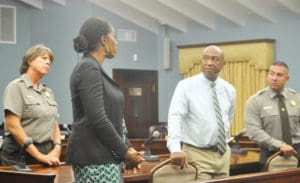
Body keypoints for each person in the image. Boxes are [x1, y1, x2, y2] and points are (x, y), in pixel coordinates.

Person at [66, 17, 143, 183]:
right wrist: (124, 151)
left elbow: (114, 119)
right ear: (103, 40)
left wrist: (128, 147)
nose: (116, 42)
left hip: (105, 156)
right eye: (114, 36)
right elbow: (98, 118)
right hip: (94, 158)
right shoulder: (88, 68)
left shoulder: (94, 68)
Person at [167, 45, 236, 181]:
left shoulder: (229, 89)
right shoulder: (185, 86)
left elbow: (228, 119)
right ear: (201, 61)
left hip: (222, 154)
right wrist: (175, 148)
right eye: (206, 58)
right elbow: (175, 117)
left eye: (214, 59)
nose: (209, 62)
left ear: (222, 63)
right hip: (197, 153)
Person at [2, 44, 62, 167]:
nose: (48, 62)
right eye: (43, 58)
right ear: (30, 60)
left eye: (50, 60)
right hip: (21, 154)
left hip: (47, 151)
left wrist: (56, 149)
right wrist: (39, 156)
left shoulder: (47, 91)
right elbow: (13, 126)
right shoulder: (16, 87)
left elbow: (54, 124)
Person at [244, 61, 300, 170]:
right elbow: (254, 132)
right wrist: (279, 145)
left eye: (279, 75)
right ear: (267, 76)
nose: (274, 78)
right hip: (271, 155)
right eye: (271, 73)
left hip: (298, 152)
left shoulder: (297, 98)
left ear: (287, 78)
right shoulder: (255, 101)